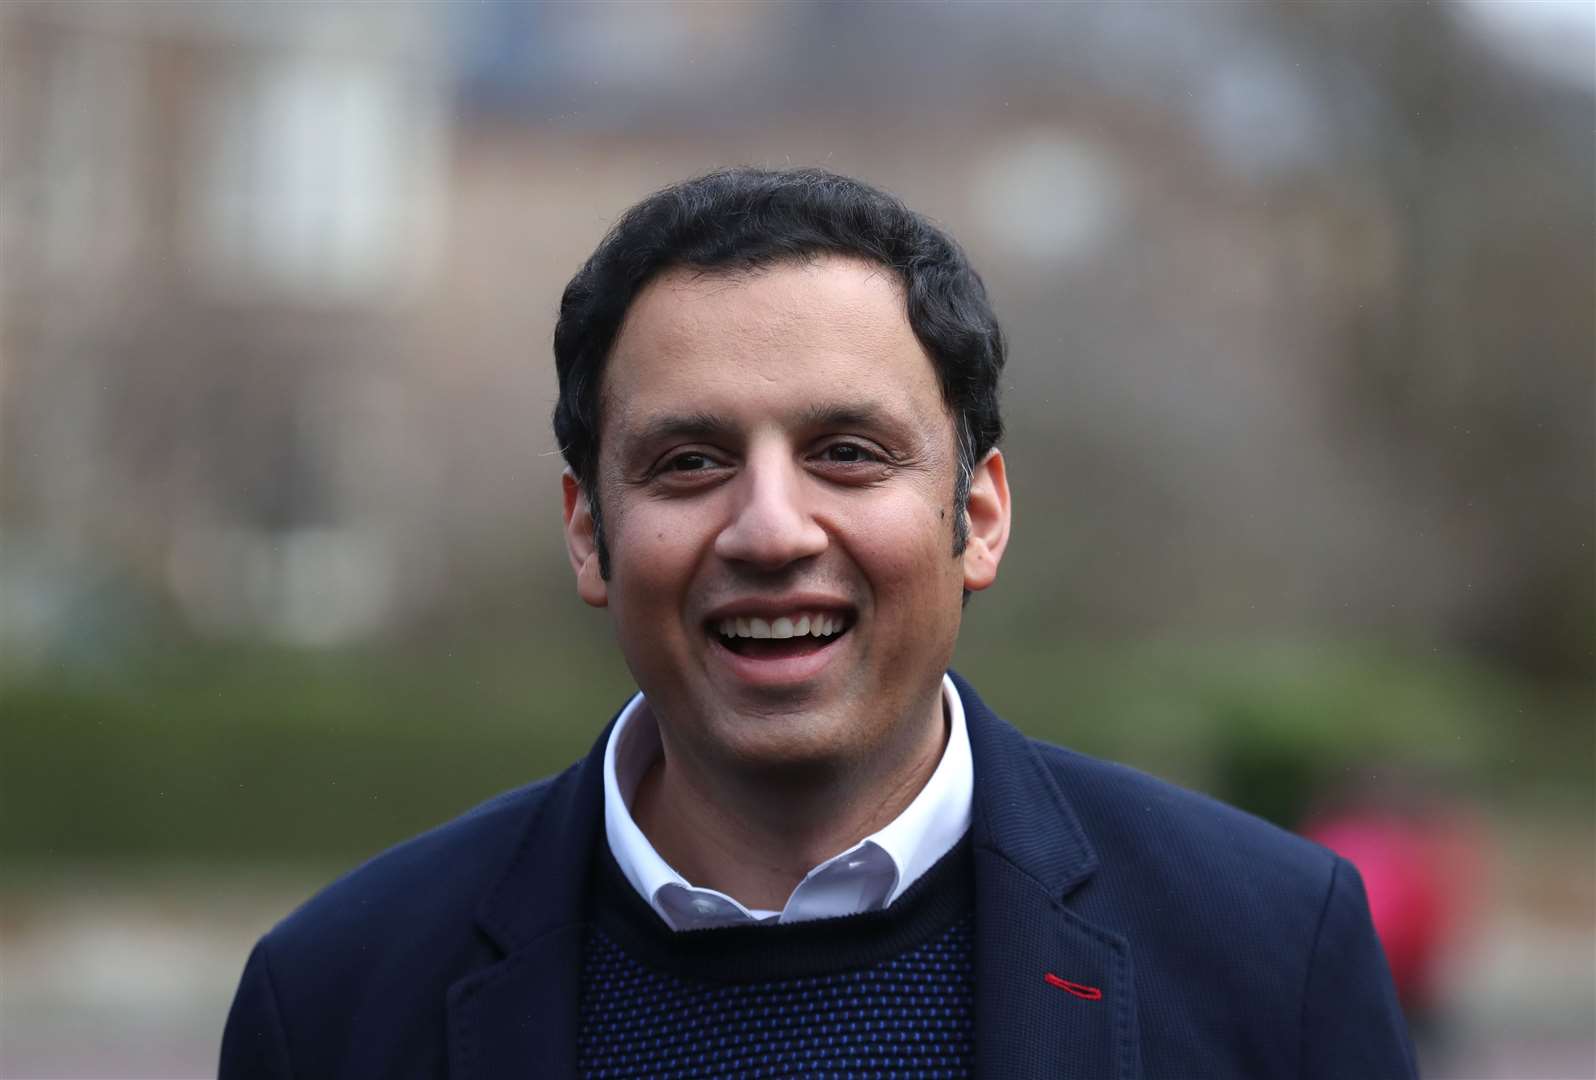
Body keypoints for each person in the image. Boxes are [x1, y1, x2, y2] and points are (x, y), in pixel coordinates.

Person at [220, 168, 1416, 1078]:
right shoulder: (333, 1004)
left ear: (979, 516)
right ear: (589, 531)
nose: (771, 528)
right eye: (690, 462)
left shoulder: (1273, 959)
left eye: (848, 453)